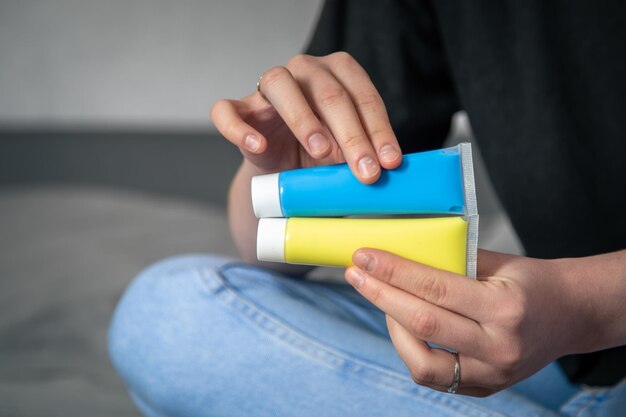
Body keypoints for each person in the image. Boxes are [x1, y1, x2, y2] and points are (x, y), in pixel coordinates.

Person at [109, 1, 626, 416]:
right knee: (168, 314)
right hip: (556, 369)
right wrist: (279, 175)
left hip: (565, 340)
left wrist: (584, 307)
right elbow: (262, 252)